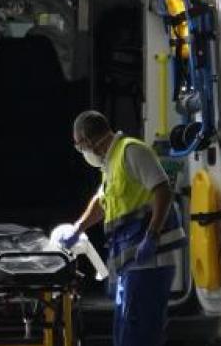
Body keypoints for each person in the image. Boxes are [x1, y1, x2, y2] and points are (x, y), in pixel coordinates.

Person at [61, 110, 186, 346]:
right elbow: (101, 202)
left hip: (150, 262)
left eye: (80, 146)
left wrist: (152, 236)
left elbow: (163, 190)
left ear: (89, 141)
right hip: (130, 265)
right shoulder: (111, 164)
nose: (82, 152)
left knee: (138, 335)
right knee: (125, 334)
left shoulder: (131, 151)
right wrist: (78, 228)